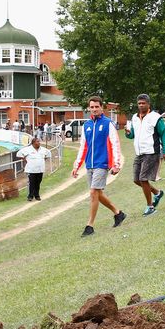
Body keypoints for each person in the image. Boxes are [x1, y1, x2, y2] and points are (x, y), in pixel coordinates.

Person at [72, 96, 126, 236]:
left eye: (97, 106)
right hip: (89, 165)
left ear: (102, 107)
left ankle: (89, 226)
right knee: (98, 194)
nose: (94, 109)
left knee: (93, 193)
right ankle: (118, 213)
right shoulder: (87, 125)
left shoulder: (108, 124)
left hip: (102, 164)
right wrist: (77, 165)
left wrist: (116, 164)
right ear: (89, 108)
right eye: (92, 107)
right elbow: (83, 146)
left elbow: (115, 144)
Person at [124, 94, 165, 216]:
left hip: (151, 152)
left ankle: (150, 207)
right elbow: (132, 135)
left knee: (143, 179)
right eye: (139, 103)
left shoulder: (155, 118)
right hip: (139, 153)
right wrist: (128, 133)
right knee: (136, 180)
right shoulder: (134, 117)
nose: (141, 105)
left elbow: (164, 134)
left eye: (143, 103)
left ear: (148, 104)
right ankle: (157, 193)